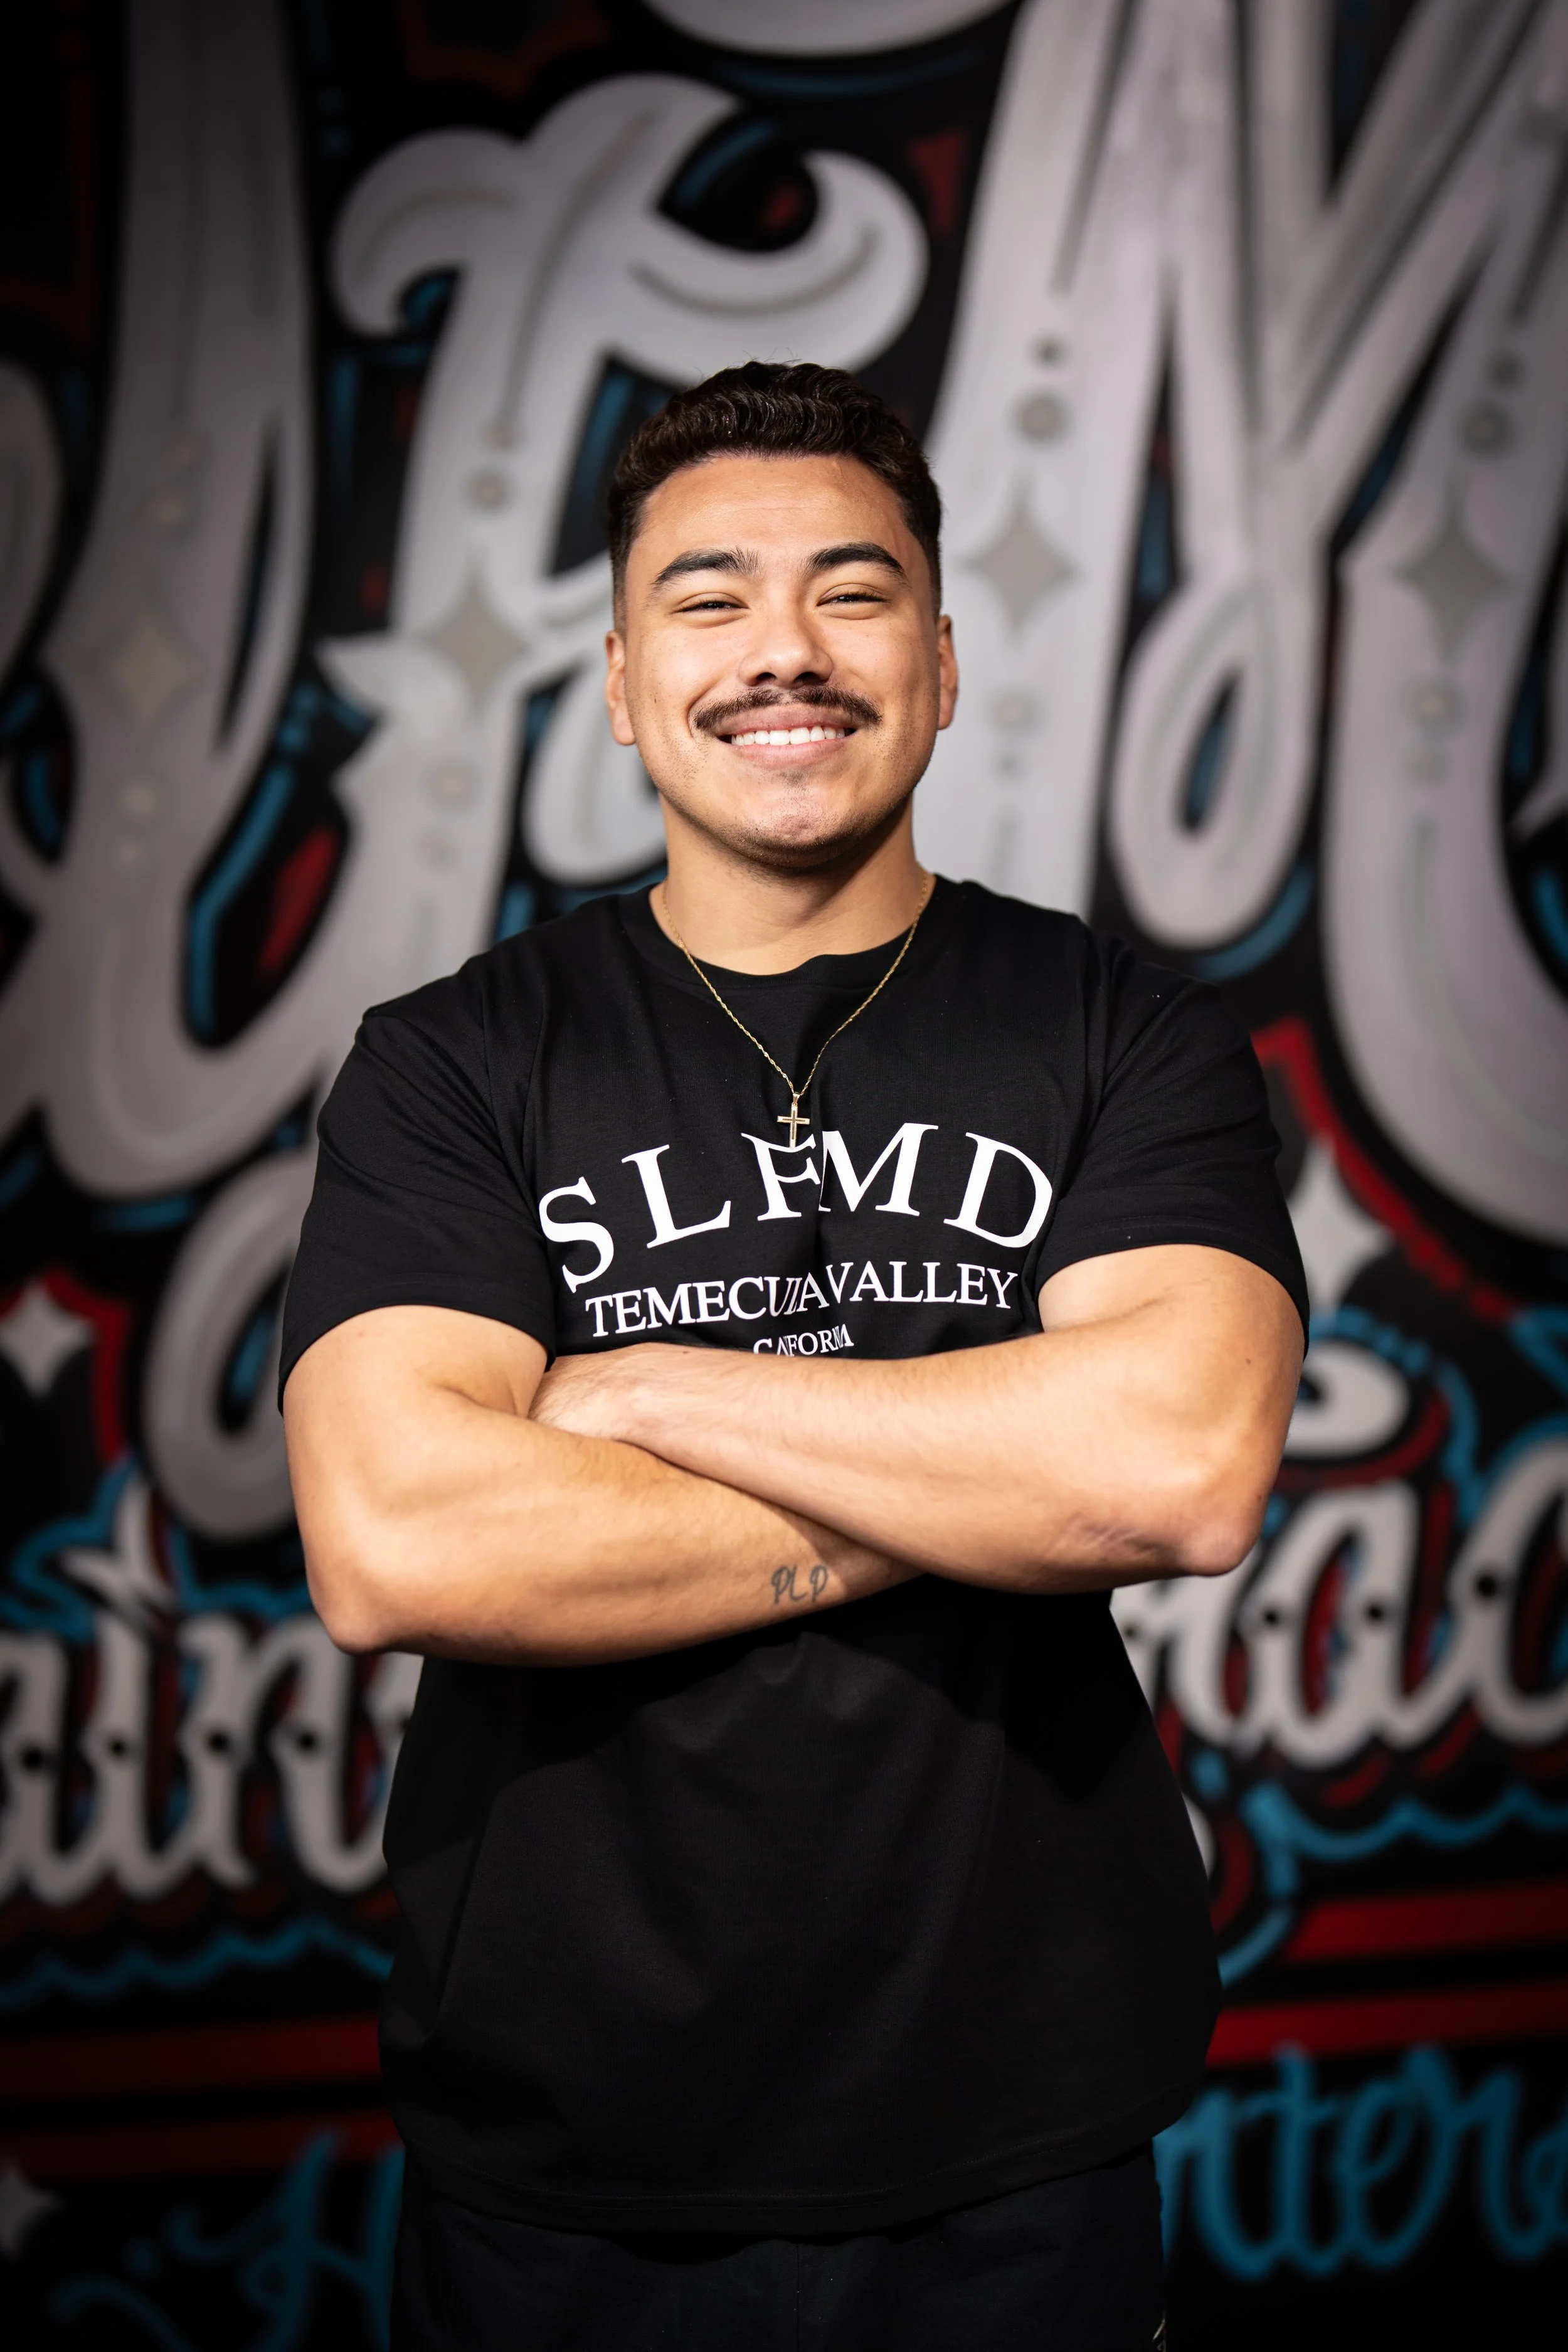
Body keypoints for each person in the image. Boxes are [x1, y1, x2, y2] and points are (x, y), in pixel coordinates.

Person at [280, 362, 1306, 2351]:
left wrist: (647, 1392)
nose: (783, 650)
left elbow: (1174, 1469)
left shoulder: (1120, 1030)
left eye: (852, 593)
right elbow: (399, 1539)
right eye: (710, 594)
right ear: (616, 673)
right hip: (565, 2144)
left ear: (936, 658)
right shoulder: (456, 1061)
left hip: (1017, 2129)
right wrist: (992, 1473)